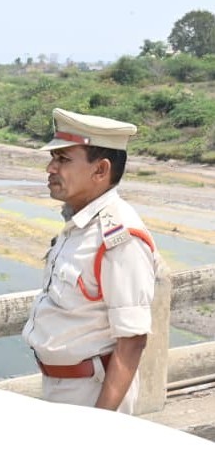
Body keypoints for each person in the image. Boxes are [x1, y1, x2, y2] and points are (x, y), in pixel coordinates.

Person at [22, 108, 158, 414]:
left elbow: (132, 341)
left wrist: (100, 422)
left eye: (64, 159)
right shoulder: (80, 224)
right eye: (53, 158)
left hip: (92, 393)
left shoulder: (120, 238)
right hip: (64, 386)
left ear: (100, 170)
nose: (50, 168)